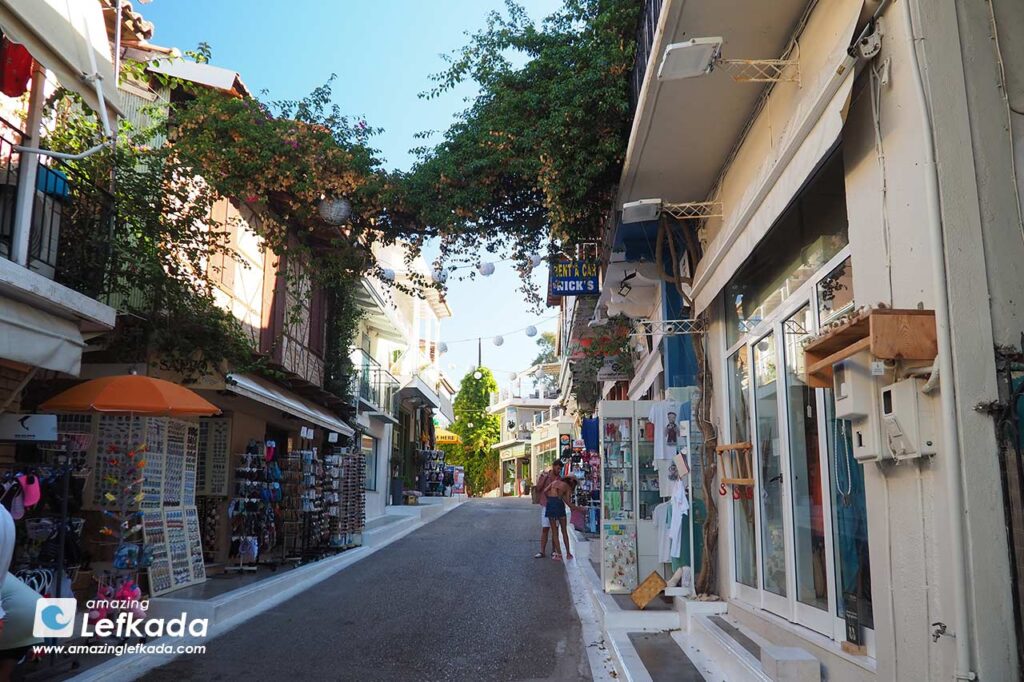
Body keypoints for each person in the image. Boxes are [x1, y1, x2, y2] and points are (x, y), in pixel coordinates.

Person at [543, 475, 583, 561]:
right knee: (564, 530)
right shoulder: (567, 487)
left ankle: (559, 554)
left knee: (554, 532)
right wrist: (579, 509)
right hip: (559, 506)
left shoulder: (554, 482)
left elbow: (545, 491)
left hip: (550, 504)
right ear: (572, 484)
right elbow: (568, 503)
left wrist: (550, 499)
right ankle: (568, 553)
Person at [533, 460, 561, 558]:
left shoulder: (559, 478)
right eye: (558, 468)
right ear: (553, 467)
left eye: (560, 469)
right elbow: (538, 488)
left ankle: (554, 550)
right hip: (546, 504)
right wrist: (544, 478)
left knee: (555, 529)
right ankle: (542, 551)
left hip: (556, 505)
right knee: (545, 528)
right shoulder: (544, 476)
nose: (559, 470)